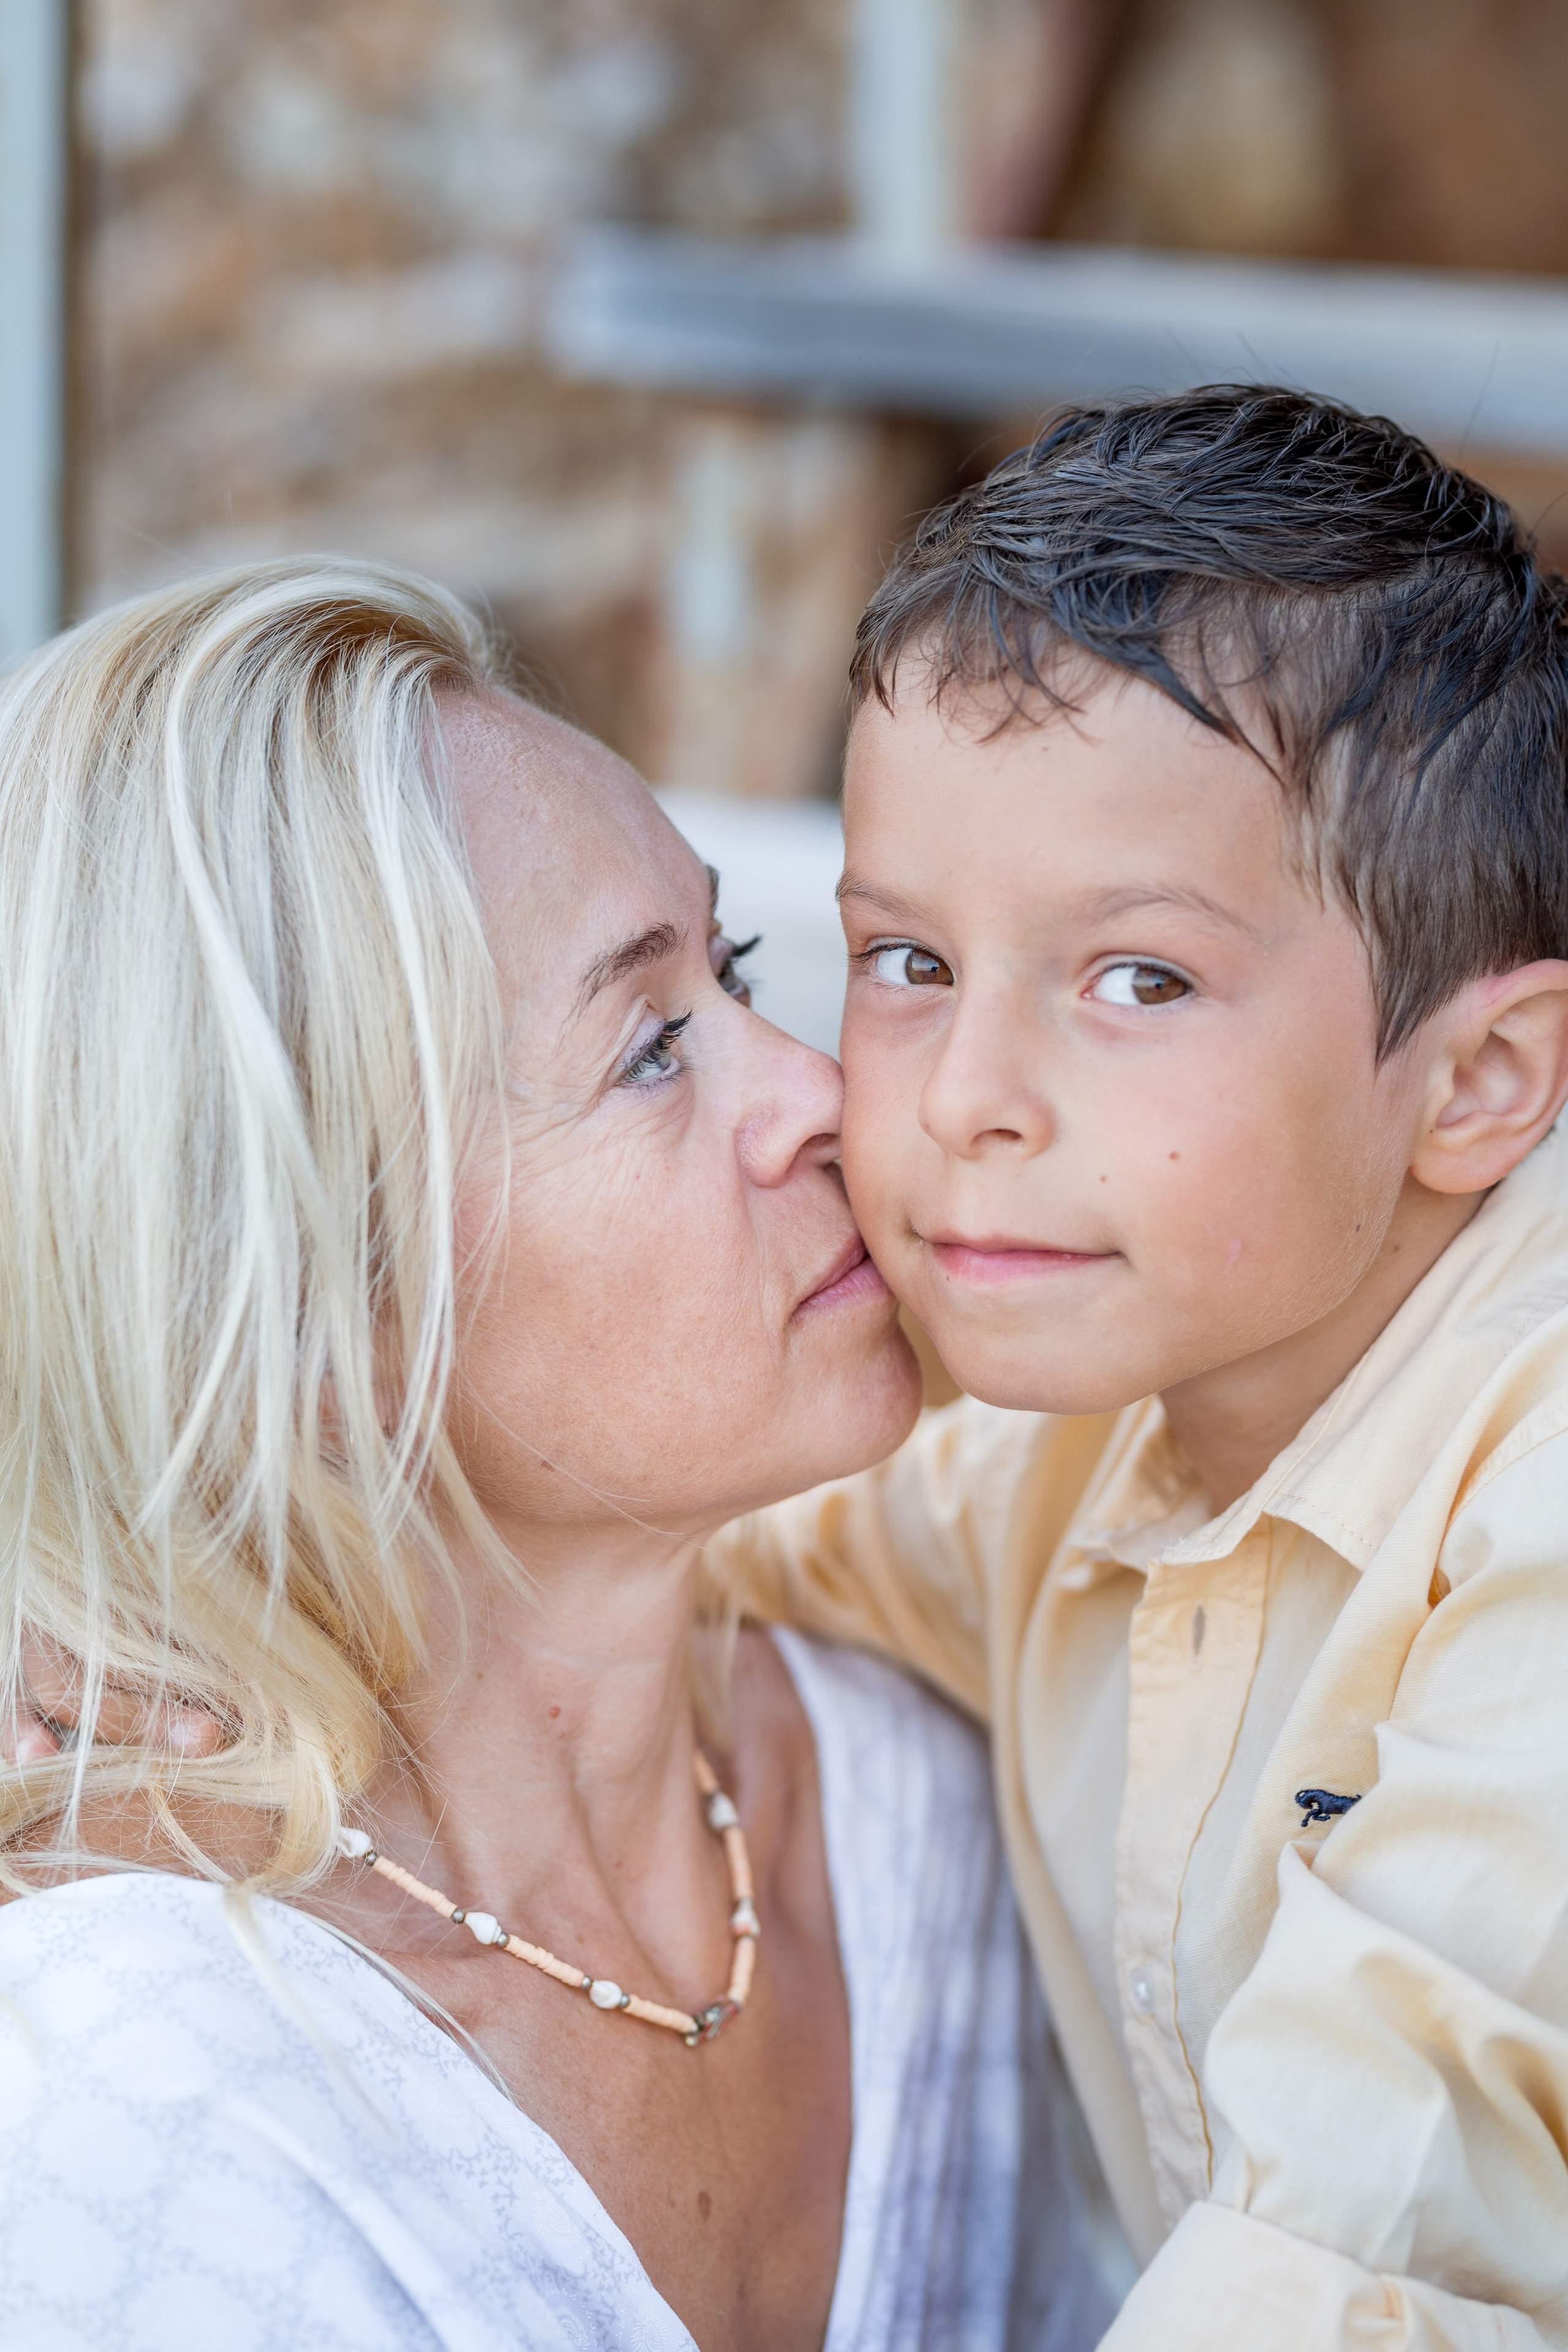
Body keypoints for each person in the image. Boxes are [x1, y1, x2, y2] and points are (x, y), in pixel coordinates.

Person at [0, 560, 1110, 2352]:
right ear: (314, 1314)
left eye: (732, 968)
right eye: (654, 1047)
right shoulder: (139, 2100)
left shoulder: (930, 1804)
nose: (818, 1092)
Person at [710, 389, 1568, 2348]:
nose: (970, 1100)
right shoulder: (1049, 1442)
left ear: (1477, 1082)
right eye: (905, 961)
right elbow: (682, 1529)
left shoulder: (1541, 1477)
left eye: (1140, 981)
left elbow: (1374, 2227)